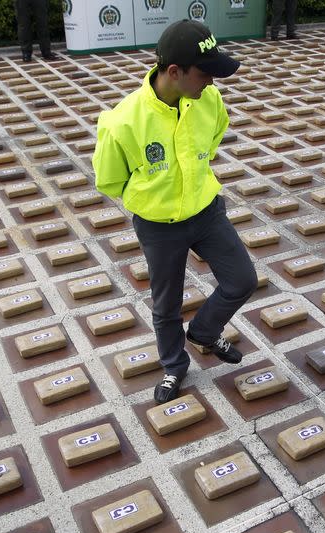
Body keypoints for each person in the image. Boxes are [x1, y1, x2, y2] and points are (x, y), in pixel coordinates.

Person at [92, 20, 257, 404]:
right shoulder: (123, 122)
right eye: (205, 74)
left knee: (242, 280)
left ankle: (203, 331)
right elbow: (110, 180)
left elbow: (214, 137)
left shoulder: (208, 100)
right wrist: (154, 199)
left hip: (205, 210)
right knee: (167, 305)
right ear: (173, 72)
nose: (212, 84)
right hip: (158, 226)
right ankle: (174, 366)